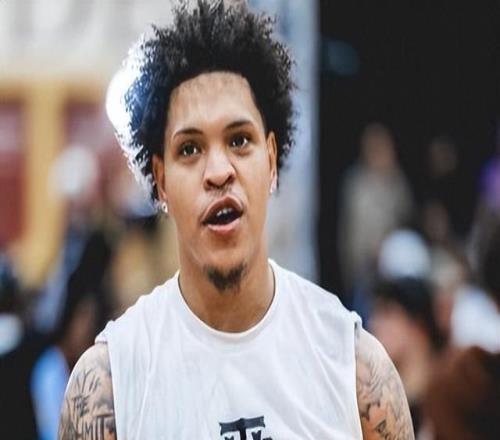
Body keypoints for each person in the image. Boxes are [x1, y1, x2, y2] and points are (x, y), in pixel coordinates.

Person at [58, 1, 414, 439]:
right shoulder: (109, 384)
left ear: (272, 160)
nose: (218, 171)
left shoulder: (355, 369)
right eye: (190, 149)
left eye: (240, 140)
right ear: (161, 181)